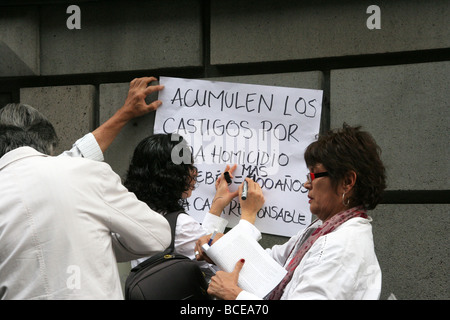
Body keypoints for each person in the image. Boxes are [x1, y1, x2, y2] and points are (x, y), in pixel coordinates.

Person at [0, 77, 172, 300]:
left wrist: (124, 113)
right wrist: (95, 240)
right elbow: (157, 236)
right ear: (50, 146)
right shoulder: (81, 173)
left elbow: (78, 154)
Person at [197, 124, 386, 300]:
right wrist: (220, 249)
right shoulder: (323, 228)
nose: (306, 184)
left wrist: (236, 296)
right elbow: (273, 265)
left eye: (313, 174)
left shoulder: (342, 247)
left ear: (347, 182)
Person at [124, 133, 245, 280]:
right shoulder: (180, 226)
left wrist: (217, 207)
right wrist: (249, 215)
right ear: (172, 176)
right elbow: (227, 269)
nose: (194, 173)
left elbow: (199, 243)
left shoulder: (133, 211)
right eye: (189, 167)